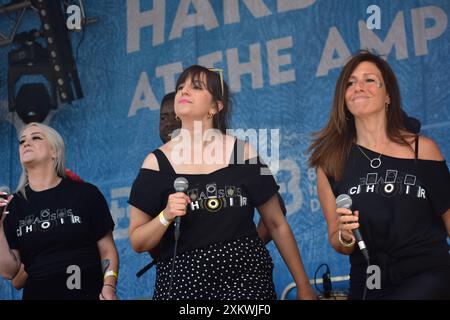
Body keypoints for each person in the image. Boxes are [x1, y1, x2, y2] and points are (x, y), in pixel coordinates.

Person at [128, 65, 316, 300]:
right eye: (180, 87)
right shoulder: (155, 163)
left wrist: (304, 285)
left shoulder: (243, 152)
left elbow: (276, 223)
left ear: (216, 106)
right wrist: (165, 216)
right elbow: (137, 240)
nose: (184, 91)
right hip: (185, 287)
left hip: (247, 284)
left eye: (195, 87)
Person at [308, 50, 450, 299]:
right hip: (369, 280)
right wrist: (345, 236)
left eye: (369, 80)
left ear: (388, 96)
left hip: (427, 273)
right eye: (350, 83)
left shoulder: (421, 149)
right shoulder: (329, 163)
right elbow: (338, 240)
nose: (359, 87)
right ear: (344, 99)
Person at [0, 122, 119, 300]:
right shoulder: (14, 206)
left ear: (55, 152)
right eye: (22, 141)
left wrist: (109, 287)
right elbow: (10, 273)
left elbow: (107, 250)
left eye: (36, 138)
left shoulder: (86, 193)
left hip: (86, 293)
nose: (26, 143)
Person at [158, 91, 286, 245]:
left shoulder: (236, 151)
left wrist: (252, 246)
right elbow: (140, 237)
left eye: (177, 116)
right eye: (163, 117)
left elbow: (277, 207)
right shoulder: (156, 167)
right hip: (186, 267)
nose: (169, 123)